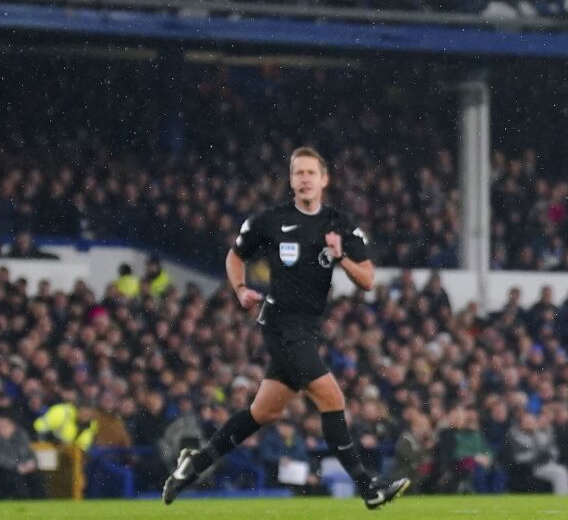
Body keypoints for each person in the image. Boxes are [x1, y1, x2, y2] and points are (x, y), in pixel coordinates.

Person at [163, 147, 409, 509]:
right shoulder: (270, 221)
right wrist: (240, 289)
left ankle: (194, 464)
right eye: (298, 173)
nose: (304, 179)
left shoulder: (339, 224)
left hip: (308, 328)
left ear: (324, 180)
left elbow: (368, 280)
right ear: (291, 180)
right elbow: (235, 256)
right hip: (280, 324)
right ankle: (368, 489)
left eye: (311, 173)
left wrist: (340, 256)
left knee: (263, 413)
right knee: (332, 399)